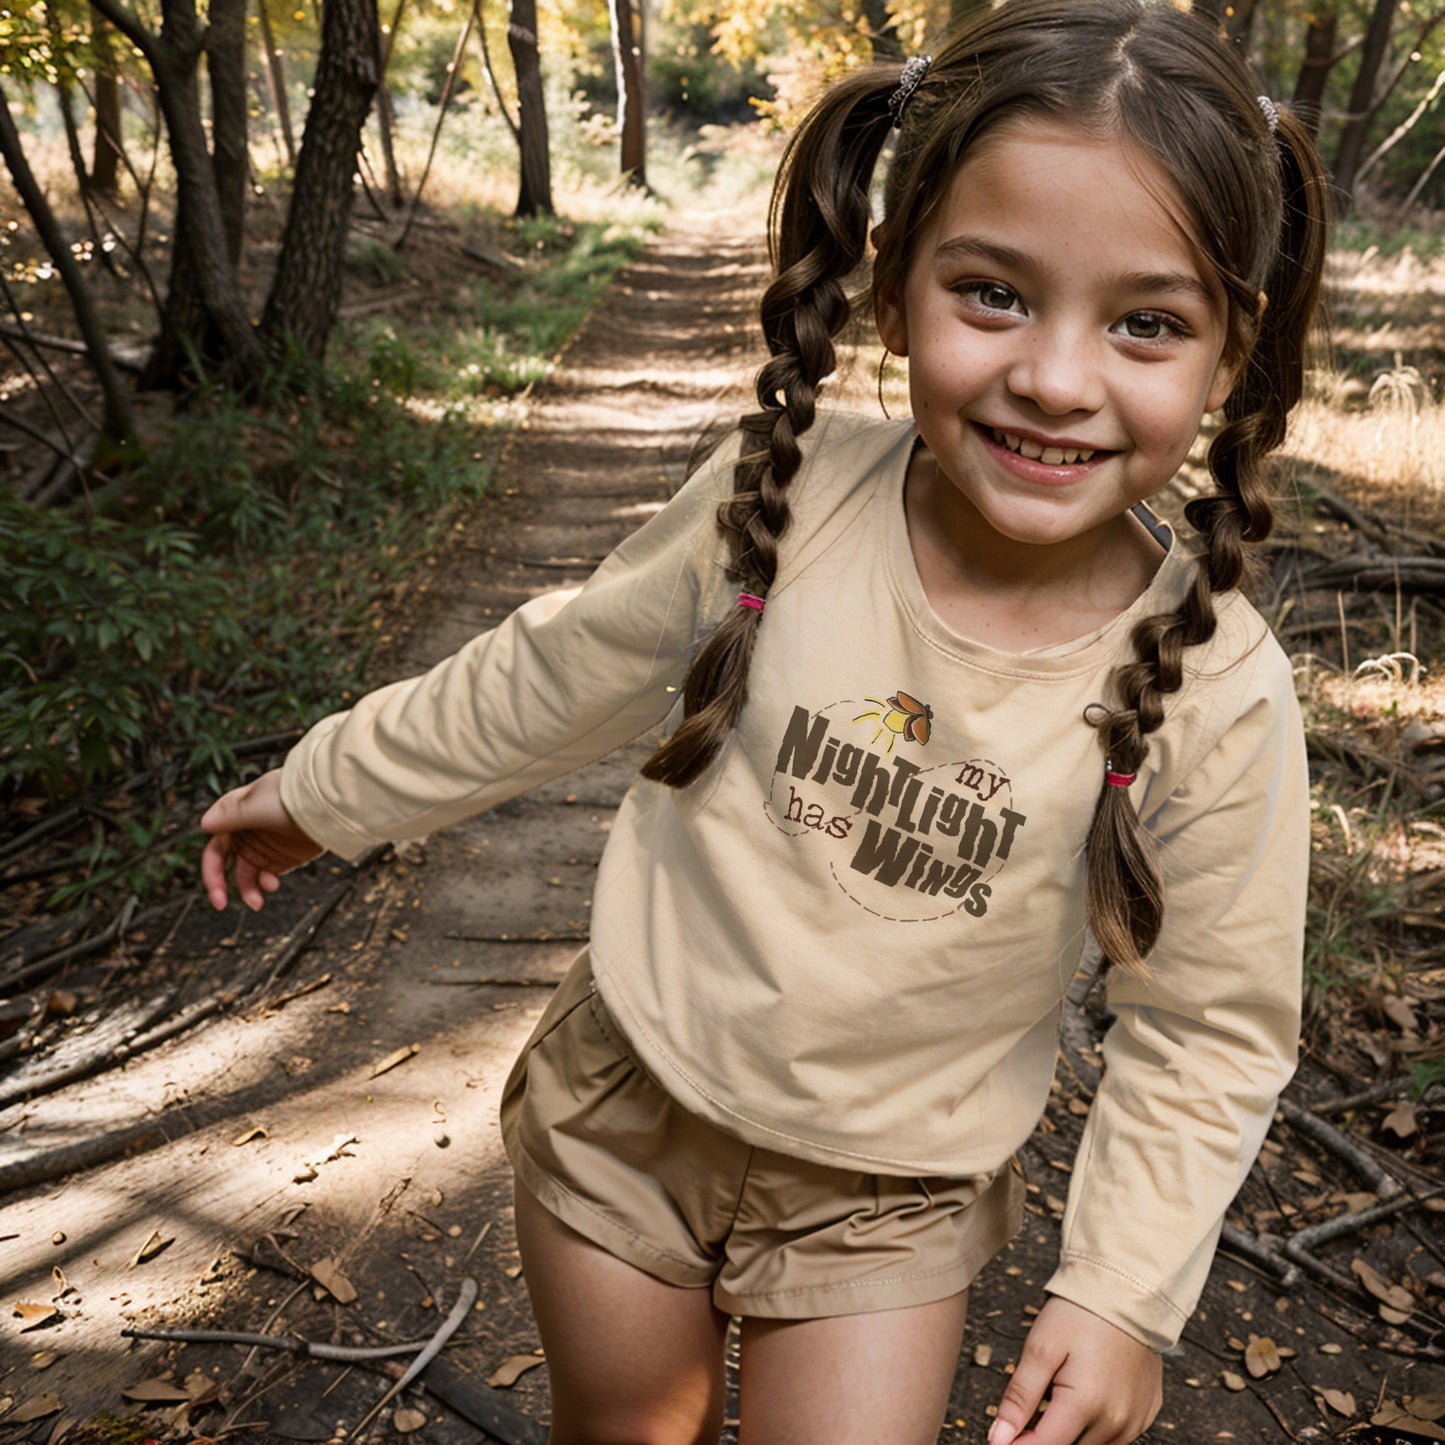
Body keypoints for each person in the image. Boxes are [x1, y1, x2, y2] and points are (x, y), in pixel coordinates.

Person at [201, 2, 1330, 1440]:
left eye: (1146, 323)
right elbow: (555, 671)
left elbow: (1209, 1028)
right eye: (990, 292)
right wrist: (328, 789)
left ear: (1227, 358)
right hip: (625, 1106)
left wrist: (1117, 1289)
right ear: (890, 283)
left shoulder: (1216, 690)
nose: (1054, 375)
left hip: (890, 1204)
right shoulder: (780, 496)